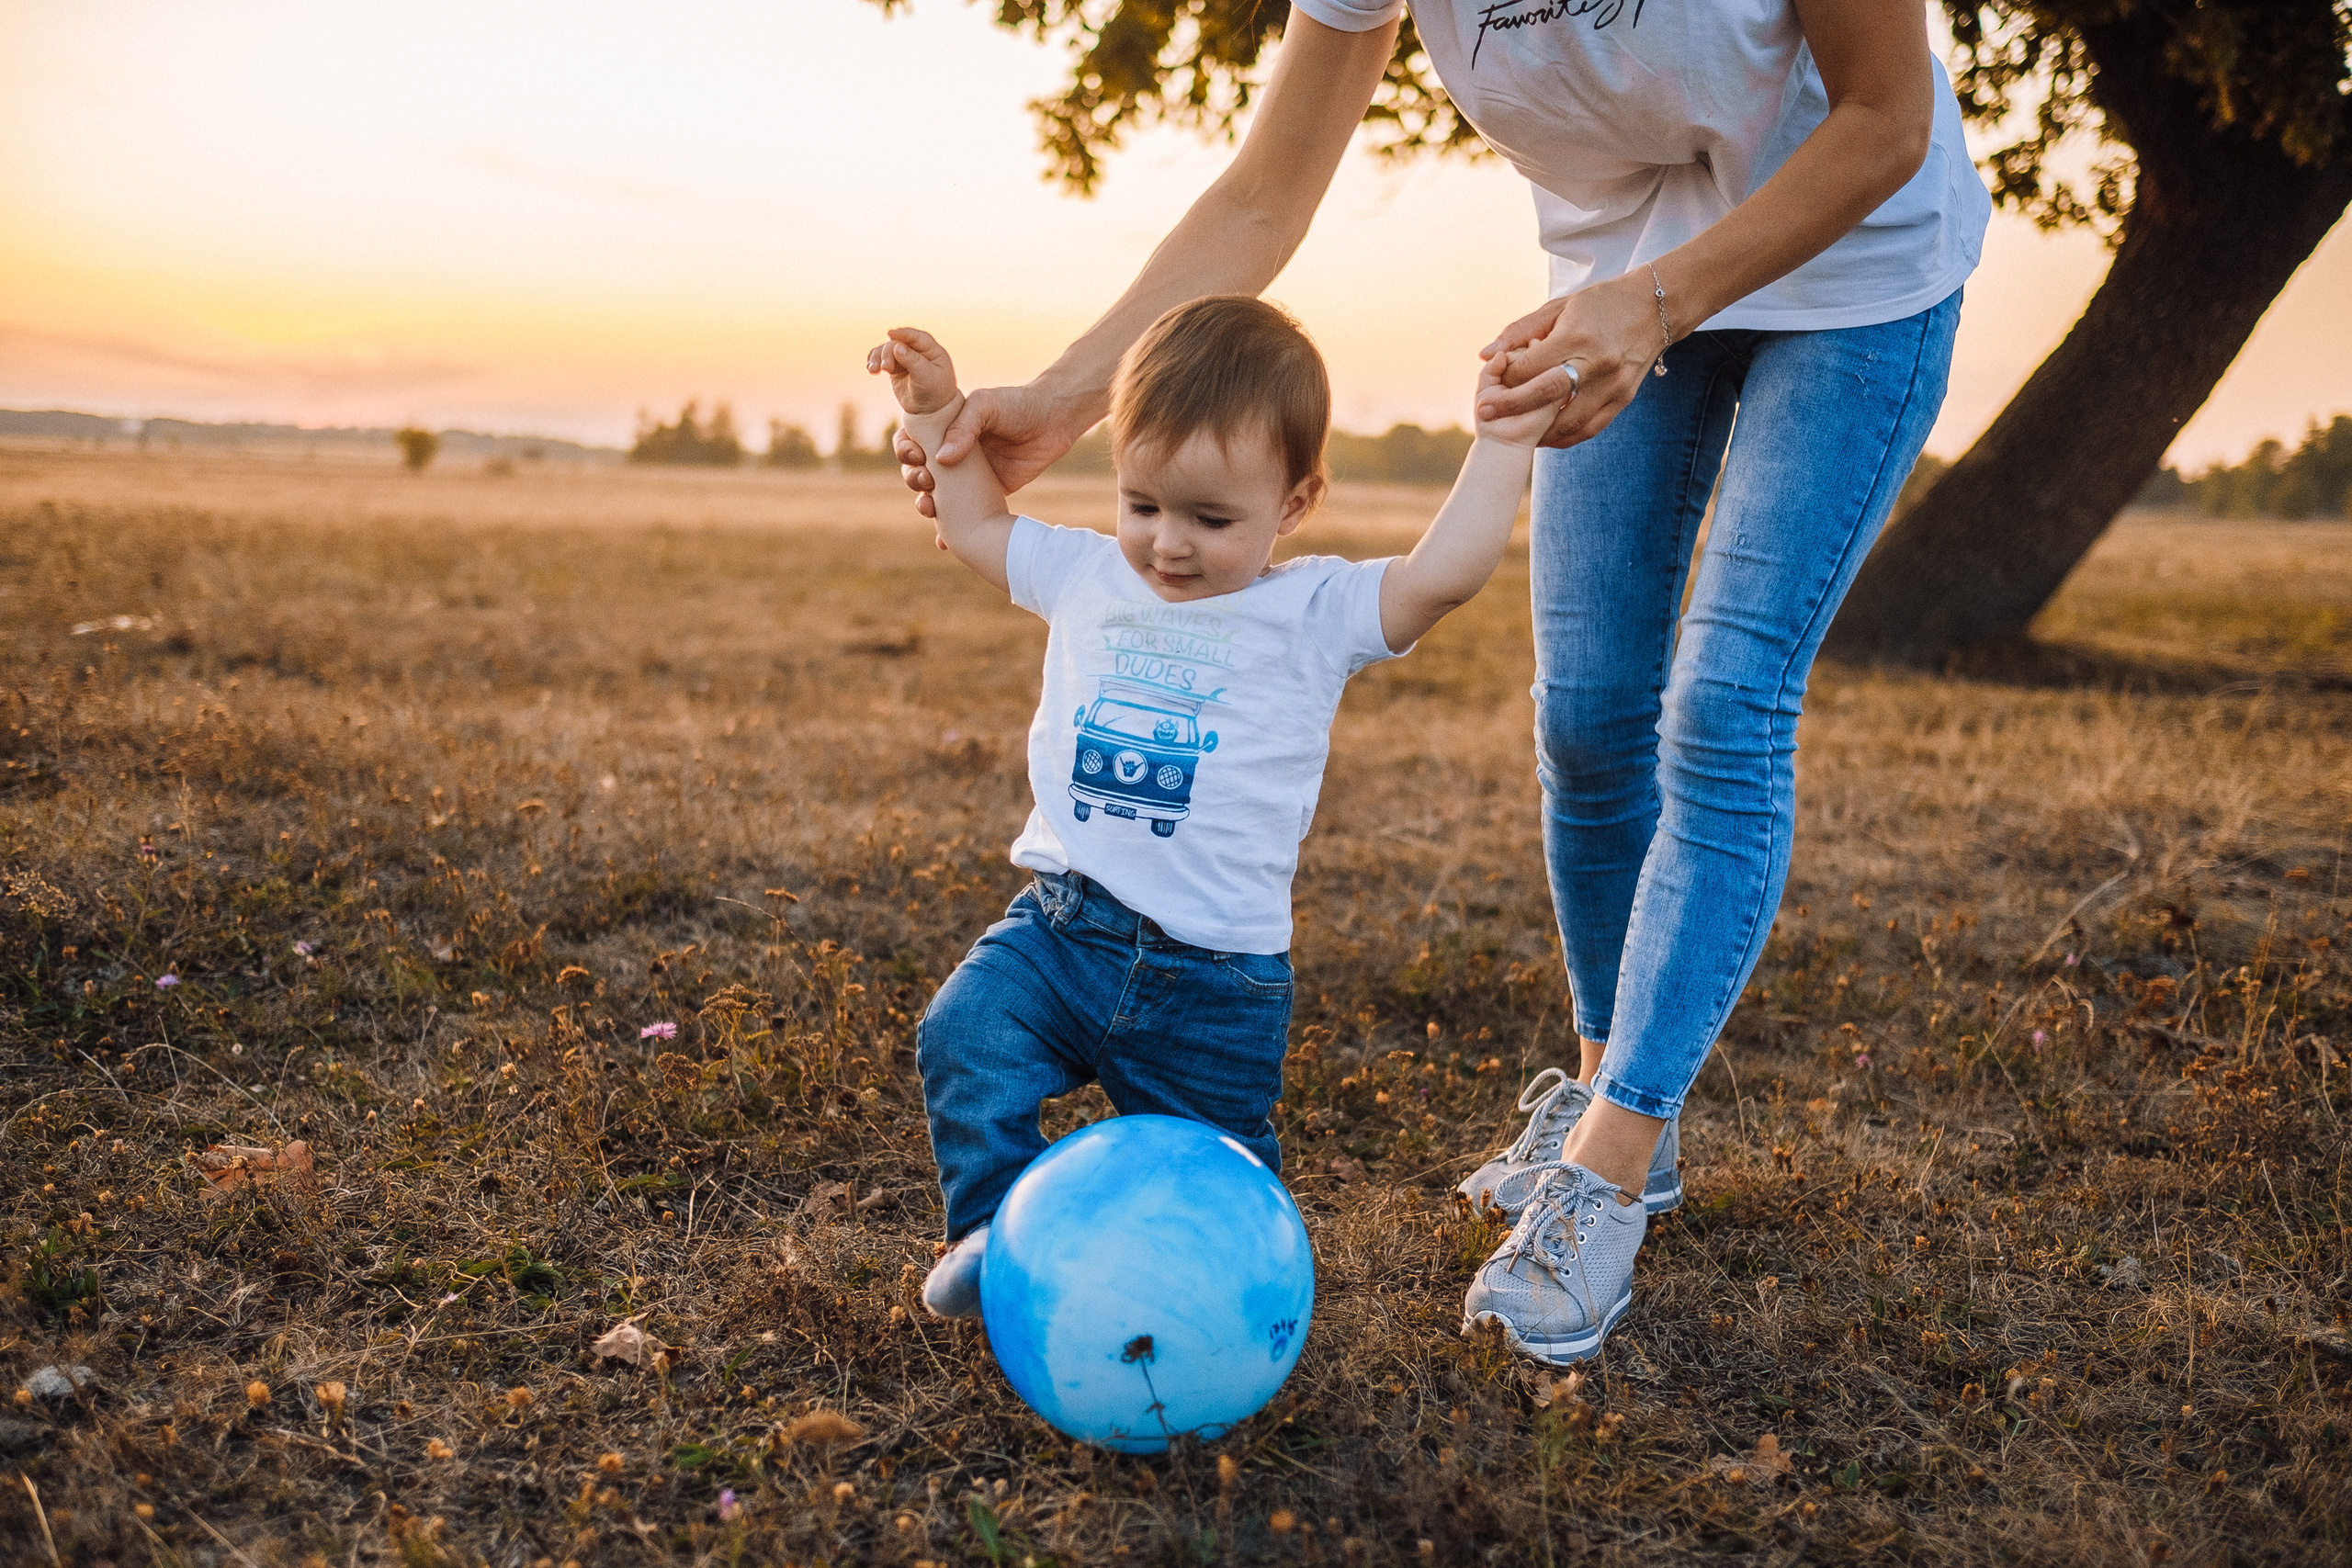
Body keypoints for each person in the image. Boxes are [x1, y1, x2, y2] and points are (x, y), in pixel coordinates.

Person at [892, 1, 1989, 1362]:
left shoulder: (1312, 597)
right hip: (1601, 288)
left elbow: (1886, 118)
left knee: (1719, 711)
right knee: (1590, 723)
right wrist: (1066, 400)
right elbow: (1263, 188)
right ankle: (1595, 1078)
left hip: (1852, 275)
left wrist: (1651, 307)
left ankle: (1616, 1159)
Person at [869, 298, 1560, 1317]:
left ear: (1293, 502)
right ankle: (999, 1231)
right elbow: (972, 522)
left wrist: (1503, 442)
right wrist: (935, 414)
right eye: (1142, 504)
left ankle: (1219, 1309)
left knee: (1220, 1183)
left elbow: (1442, 576)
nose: (1168, 545)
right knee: (964, 1037)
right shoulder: (1087, 576)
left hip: (1216, 978)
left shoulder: (1312, 611)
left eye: (1210, 518)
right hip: (1060, 928)